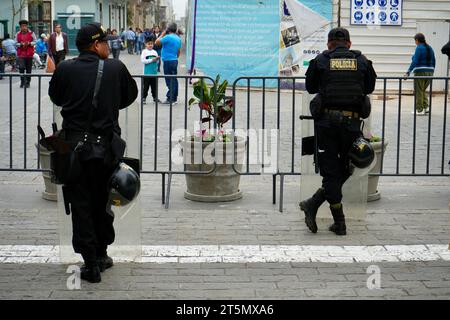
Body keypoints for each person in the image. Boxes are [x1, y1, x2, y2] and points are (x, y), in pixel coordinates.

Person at [48, 22, 138, 283]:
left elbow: (57, 97)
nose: (108, 47)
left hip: (73, 149)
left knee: (80, 204)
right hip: (105, 149)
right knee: (103, 202)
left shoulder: (65, 68)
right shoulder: (115, 68)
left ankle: (89, 262)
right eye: (105, 43)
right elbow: (129, 96)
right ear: (96, 44)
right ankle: (101, 253)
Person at [300, 27, 377, 236]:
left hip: (326, 126)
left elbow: (310, 87)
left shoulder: (321, 60)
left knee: (332, 173)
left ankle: (319, 207)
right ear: (349, 44)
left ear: (329, 44)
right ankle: (334, 220)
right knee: (349, 166)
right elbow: (369, 88)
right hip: (351, 126)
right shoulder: (362, 61)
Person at [404, 33, 435, 115]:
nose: (415, 42)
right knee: (423, 90)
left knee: (418, 90)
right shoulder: (430, 47)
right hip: (430, 72)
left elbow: (415, 61)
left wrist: (408, 72)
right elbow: (434, 60)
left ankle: (419, 110)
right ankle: (426, 107)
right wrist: (432, 71)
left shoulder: (419, 48)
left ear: (417, 40)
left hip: (420, 72)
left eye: (415, 40)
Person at [155, 23, 181, 105]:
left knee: (169, 79)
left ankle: (170, 98)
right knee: (174, 79)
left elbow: (156, 42)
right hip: (174, 60)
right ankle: (174, 97)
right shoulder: (178, 38)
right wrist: (175, 57)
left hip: (168, 61)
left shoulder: (167, 37)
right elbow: (178, 51)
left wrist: (162, 34)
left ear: (168, 29)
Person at [16, 20, 37, 88]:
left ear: (27, 26)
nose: (24, 27)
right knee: (21, 68)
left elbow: (35, 41)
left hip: (29, 54)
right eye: (22, 26)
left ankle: (28, 82)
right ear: (20, 27)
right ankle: (22, 81)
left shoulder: (31, 33)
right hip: (21, 54)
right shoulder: (17, 34)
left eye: (25, 26)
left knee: (28, 69)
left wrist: (30, 43)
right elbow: (15, 43)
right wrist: (20, 44)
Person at [141, 38, 161, 104]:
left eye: (151, 44)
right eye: (148, 44)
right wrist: (152, 60)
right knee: (146, 86)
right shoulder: (144, 52)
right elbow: (143, 61)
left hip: (154, 72)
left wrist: (157, 60)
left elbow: (157, 61)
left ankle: (155, 98)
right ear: (145, 44)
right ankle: (143, 98)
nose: (150, 45)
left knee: (154, 86)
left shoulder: (154, 52)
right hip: (146, 73)